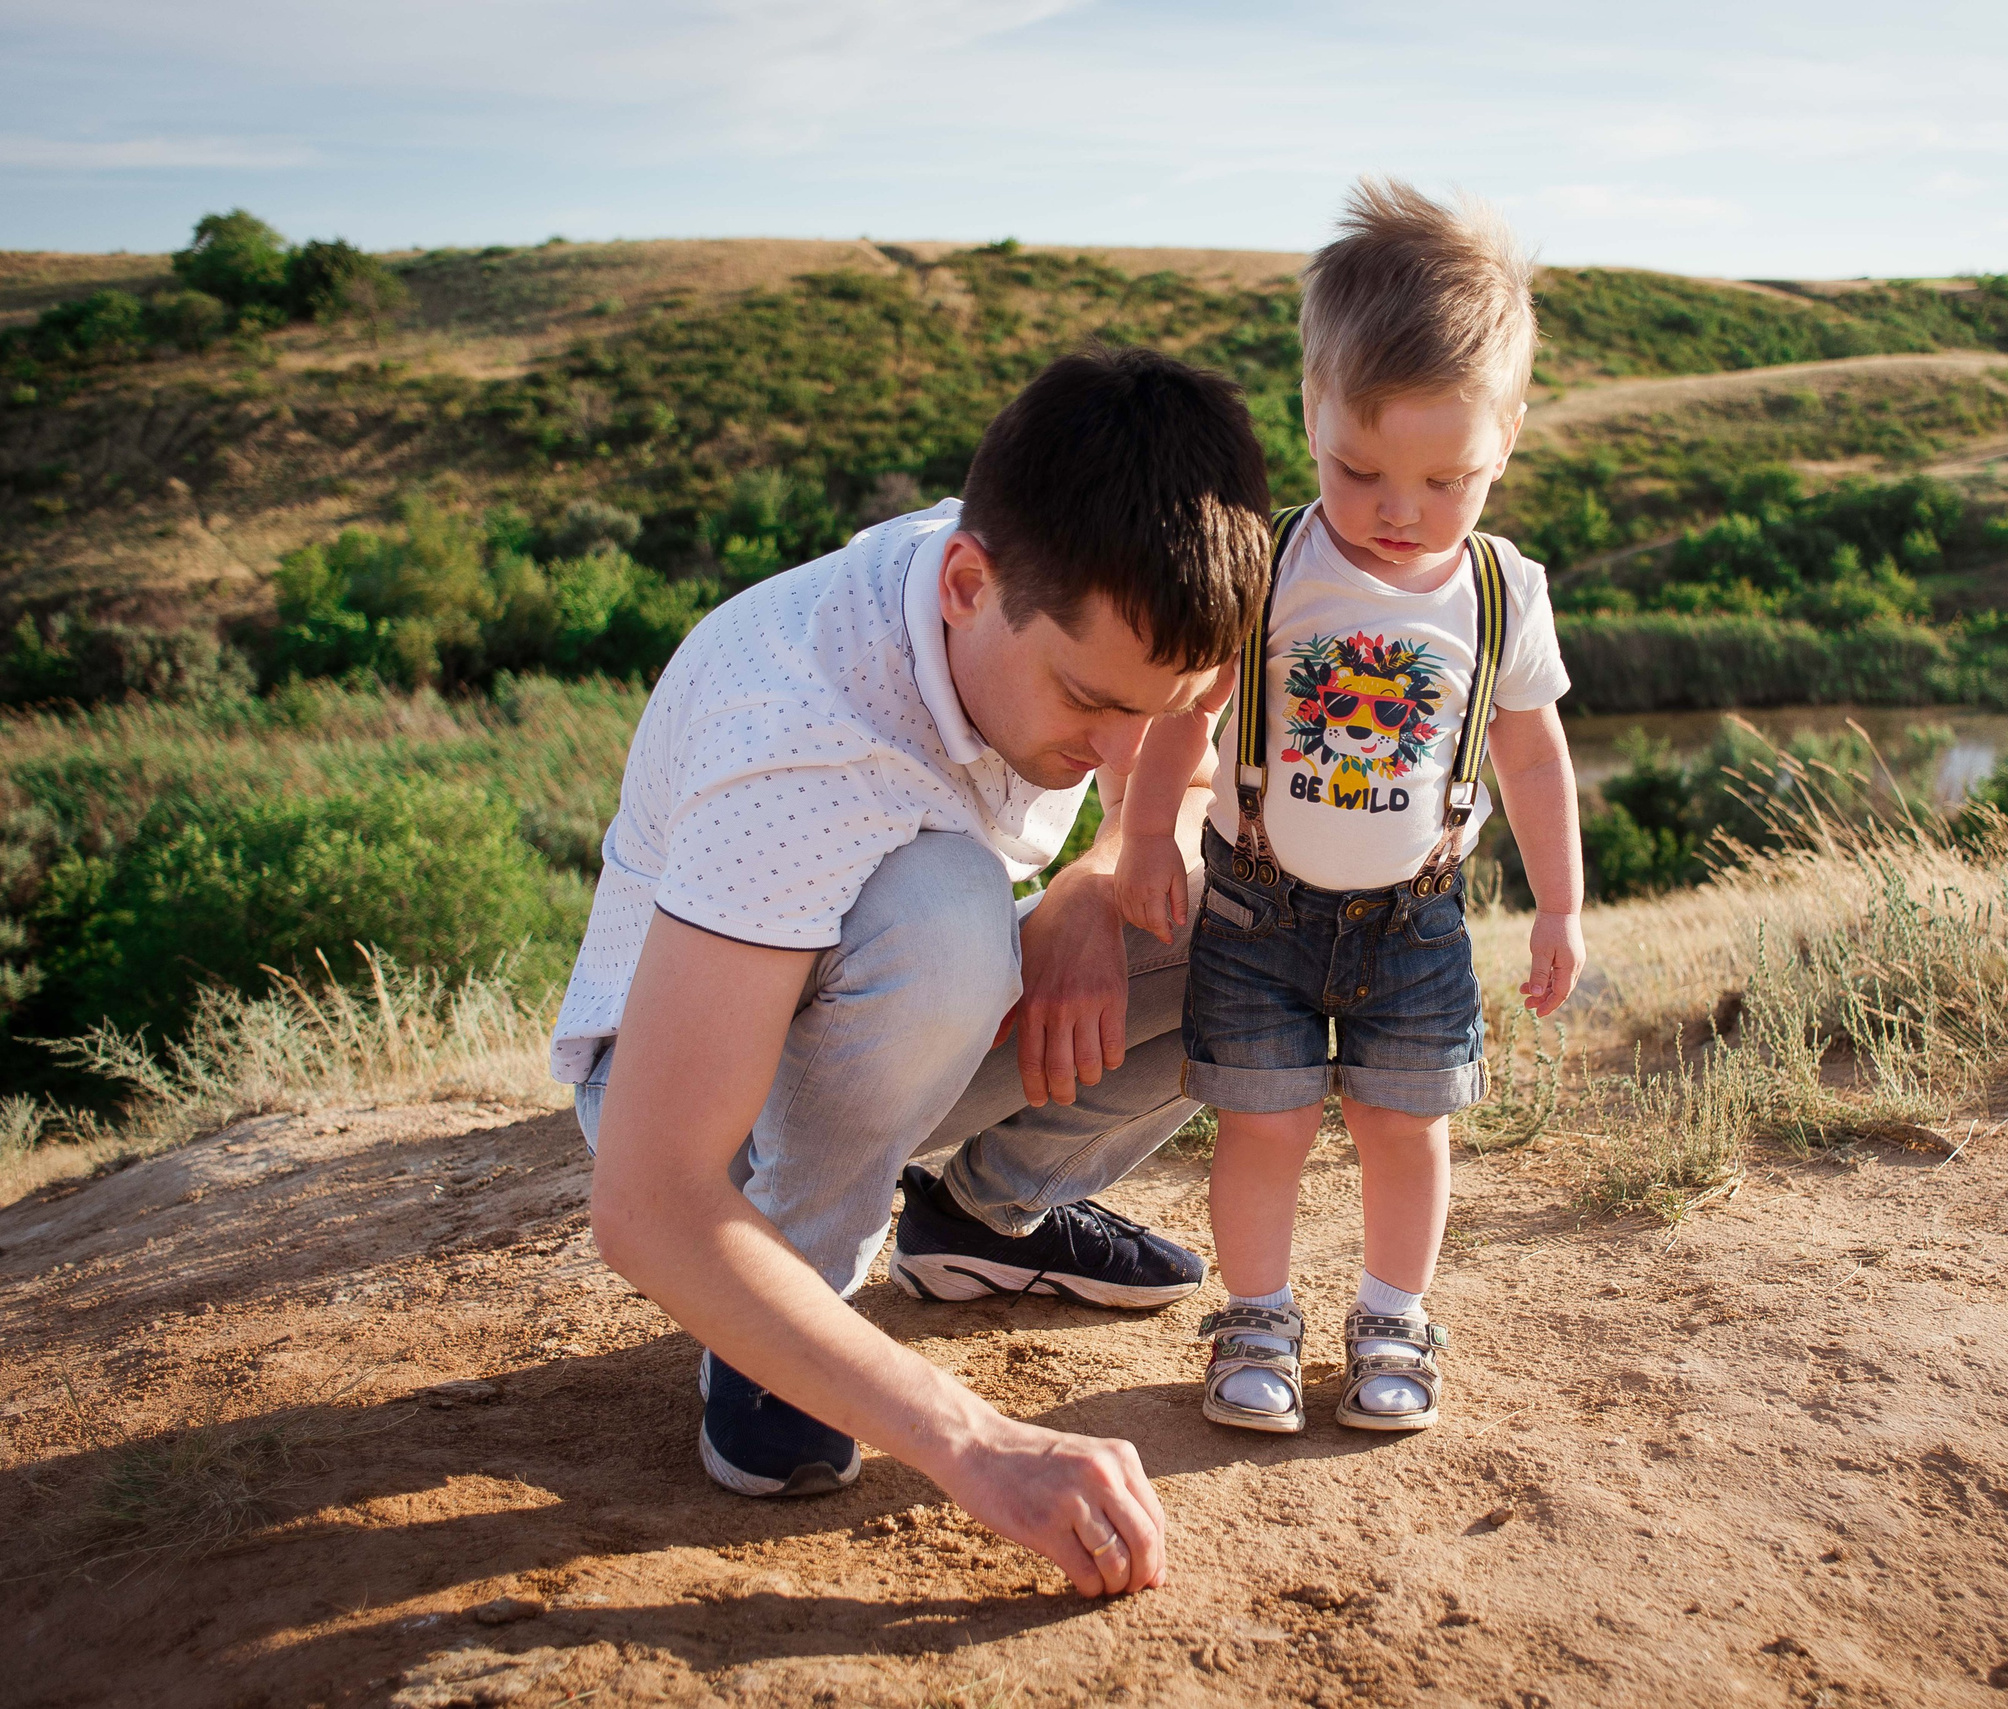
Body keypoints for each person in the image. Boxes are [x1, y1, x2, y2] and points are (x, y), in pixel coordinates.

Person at [554, 346, 1274, 1598]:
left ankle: (979, 1218)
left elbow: (1176, 747)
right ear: (963, 581)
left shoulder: (1073, 589)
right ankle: (788, 1296)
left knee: (1269, 918)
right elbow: (648, 1195)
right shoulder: (798, 741)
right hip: (695, 1099)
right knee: (945, 917)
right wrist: (976, 1443)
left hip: (888, 1008)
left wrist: (1098, 879)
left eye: (1162, 706)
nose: (1124, 746)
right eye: (1089, 702)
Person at [1113, 179, 1585, 1436]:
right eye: (1357, 466)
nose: (1396, 510)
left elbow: (1532, 759)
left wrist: (1560, 906)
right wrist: (1152, 830)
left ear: (1508, 437)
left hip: (1417, 917)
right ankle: (1256, 1317)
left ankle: (1393, 1316)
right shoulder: (1268, 561)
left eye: (1446, 479)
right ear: (1309, 409)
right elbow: (1179, 711)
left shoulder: (1500, 591)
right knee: (1260, 1131)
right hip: (1259, 909)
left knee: (1403, 1127)